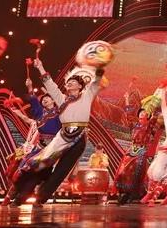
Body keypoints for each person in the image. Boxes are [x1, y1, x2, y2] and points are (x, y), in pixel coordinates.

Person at [8, 54, 107, 207]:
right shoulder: (61, 99)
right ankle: (20, 191)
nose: (69, 83)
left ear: (80, 86)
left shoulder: (87, 96)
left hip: (79, 138)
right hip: (62, 136)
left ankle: (40, 198)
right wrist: (40, 67)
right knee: (40, 162)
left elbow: (95, 83)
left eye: (73, 81)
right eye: (68, 82)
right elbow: (51, 86)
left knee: (61, 171)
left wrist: (99, 67)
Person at [114, 107, 159, 204]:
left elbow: (154, 118)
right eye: (141, 112)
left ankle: (133, 194)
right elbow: (127, 116)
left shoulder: (149, 125)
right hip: (131, 150)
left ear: (148, 115)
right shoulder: (134, 125)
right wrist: (127, 103)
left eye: (144, 112)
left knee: (136, 171)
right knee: (122, 171)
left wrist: (153, 106)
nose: (142, 113)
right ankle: (123, 191)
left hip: (142, 150)